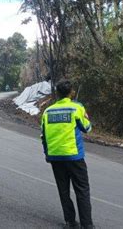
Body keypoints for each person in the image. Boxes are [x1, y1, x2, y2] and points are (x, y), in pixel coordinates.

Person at [41, 80, 94, 229]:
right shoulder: (76, 107)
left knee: (63, 189)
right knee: (82, 189)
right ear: (71, 93)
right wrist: (85, 114)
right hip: (73, 156)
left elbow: (43, 136)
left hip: (55, 157)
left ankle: (70, 222)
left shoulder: (47, 111)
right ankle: (87, 225)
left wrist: (47, 154)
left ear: (57, 94)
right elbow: (87, 128)